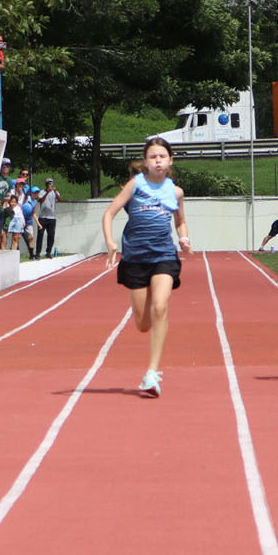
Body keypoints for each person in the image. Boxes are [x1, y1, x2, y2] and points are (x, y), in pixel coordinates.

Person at [102, 137, 190, 397]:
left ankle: (152, 372)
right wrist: (110, 243)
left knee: (160, 307)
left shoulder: (176, 192)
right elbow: (109, 213)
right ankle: (151, 322)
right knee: (142, 324)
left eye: (162, 156)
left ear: (170, 160)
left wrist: (184, 237)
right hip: (136, 259)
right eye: (153, 157)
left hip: (164, 255)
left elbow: (180, 222)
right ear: (146, 162)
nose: (158, 160)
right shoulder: (135, 185)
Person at [35, 178, 61, 258]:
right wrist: (47, 192)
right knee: (40, 235)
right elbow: (41, 200)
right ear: (46, 185)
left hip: (52, 217)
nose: (50, 185)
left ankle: (48, 252)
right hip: (43, 217)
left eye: (51, 184)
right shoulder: (42, 192)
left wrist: (55, 191)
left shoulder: (55, 192)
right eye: (49, 184)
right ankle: (38, 253)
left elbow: (59, 199)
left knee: (51, 235)